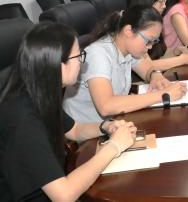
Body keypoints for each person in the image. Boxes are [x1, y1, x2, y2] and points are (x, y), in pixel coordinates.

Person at [0, 23, 137, 201]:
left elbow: (74, 129)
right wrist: (114, 146)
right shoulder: (22, 118)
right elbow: (64, 196)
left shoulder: (40, 90)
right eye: (78, 55)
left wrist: (105, 126)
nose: (81, 62)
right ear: (58, 64)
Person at [63, 6, 188, 123]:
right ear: (128, 31)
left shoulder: (127, 47)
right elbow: (106, 106)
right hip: (88, 131)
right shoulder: (98, 54)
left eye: (154, 41)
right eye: (148, 41)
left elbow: (147, 70)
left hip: (114, 122)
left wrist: (155, 75)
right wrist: (163, 95)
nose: (150, 47)